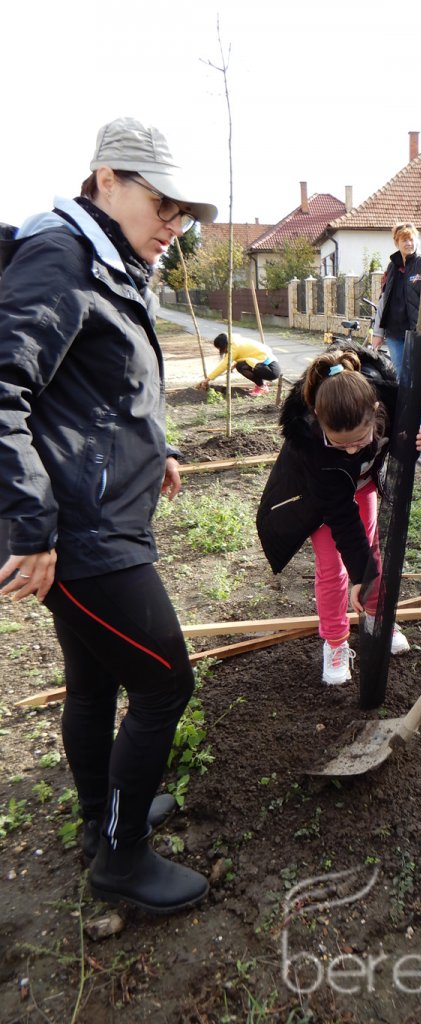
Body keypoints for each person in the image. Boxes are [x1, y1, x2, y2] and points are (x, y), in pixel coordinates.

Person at [0, 117, 218, 914]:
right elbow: (5, 390)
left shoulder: (109, 261)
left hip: (95, 516)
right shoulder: (61, 258)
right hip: (81, 538)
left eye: (184, 215)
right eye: (163, 205)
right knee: (165, 686)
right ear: (105, 181)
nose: (174, 227)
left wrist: (151, 448)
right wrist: (30, 528)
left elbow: (96, 387)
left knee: (92, 681)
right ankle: (121, 861)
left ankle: (102, 821)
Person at [257, 346, 421, 685]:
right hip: (321, 498)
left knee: (372, 548)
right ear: (318, 418)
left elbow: (399, 450)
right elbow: (340, 515)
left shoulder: (392, 405)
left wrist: (410, 444)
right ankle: (334, 642)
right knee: (333, 568)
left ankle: (378, 617)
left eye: (360, 440)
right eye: (340, 444)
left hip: (362, 486)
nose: (350, 450)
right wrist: (359, 575)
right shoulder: (311, 443)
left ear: (376, 412)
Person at [371, 222, 421, 426]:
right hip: (395, 334)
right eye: (404, 239)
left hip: (417, 334)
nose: (409, 242)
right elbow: (383, 302)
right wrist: (377, 332)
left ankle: (419, 424)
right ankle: (405, 421)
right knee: (402, 379)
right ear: (397, 242)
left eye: (412, 238)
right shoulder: (392, 267)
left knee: (419, 380)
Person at [197, 332, 281, 396]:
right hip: (270, 366)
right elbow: (248, 355)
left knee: (241, 366)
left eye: (221, 348)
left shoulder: (234, 346)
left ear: (224, 345)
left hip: (271, 370)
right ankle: (260, 385)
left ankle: (262, 387)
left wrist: (207, 379)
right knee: (240, 365)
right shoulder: (236, 340)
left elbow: (224, 365)